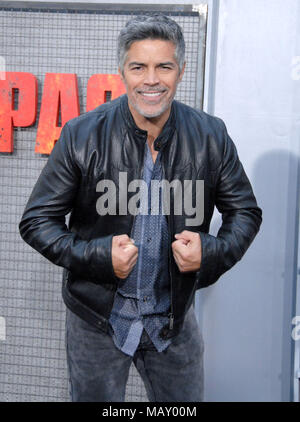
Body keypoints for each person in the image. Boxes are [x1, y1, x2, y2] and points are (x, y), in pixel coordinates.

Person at [19, 14, 262, 402]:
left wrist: (211, 251)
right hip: (97, 320)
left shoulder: (211, 136)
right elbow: (37, 221)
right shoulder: (81, 134)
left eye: (163, 66)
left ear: (180, 71)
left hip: (173, 319)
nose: (151, 79)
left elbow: (245, 213)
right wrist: (98, 256)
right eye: (139, 67)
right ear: (123, 72)